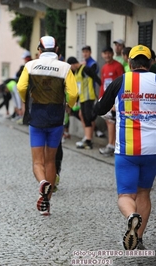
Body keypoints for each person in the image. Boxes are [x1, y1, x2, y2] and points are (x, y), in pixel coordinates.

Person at [92, 45, 156, 250]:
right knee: (144, 193)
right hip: (152, 149)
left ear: (129, 62)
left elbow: (99, 108)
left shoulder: (121, 81)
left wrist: (116, 110)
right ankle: (138, 238)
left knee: (126, 196)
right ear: (150, 63)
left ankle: (131, 216)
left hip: (126, 150)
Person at [17, 36, 78, 215]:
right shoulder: (65, 67)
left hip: (36, 115)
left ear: (40, 50)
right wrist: (69, 105)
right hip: (56, 118)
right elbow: (73, 93)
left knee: (38, 161)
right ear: (57, 49)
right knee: (50, 160)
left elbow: (21, 88)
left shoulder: (31, 66)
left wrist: (26, 100)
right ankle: (47, 202)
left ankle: (42, 182)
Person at [67, 56, 101, 149]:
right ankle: (87, 137)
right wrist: (76, 100)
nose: (71, 69)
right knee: (82, 115)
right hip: (82, 98)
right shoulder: (76, 72)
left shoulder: (85, 69)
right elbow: (78, 87)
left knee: (87, 118)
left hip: (88, 97)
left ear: (73, 64)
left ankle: (88, 141)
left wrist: (103, 93)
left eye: (71, 67)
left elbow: (97, 79)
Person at [98, 46, 125, 156]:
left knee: (111, 121)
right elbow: (103, 83)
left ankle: (111, 145)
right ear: (102, 55)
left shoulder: (118, 66)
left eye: (109, 53)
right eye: (105, 53)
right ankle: (112, 144)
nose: (107, 55)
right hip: (106, 98)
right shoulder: (104, 67)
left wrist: (116, 101)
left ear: (112, 54)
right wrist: (100, 98)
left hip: (115, 100)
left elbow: (123, 83)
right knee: (108, 121)